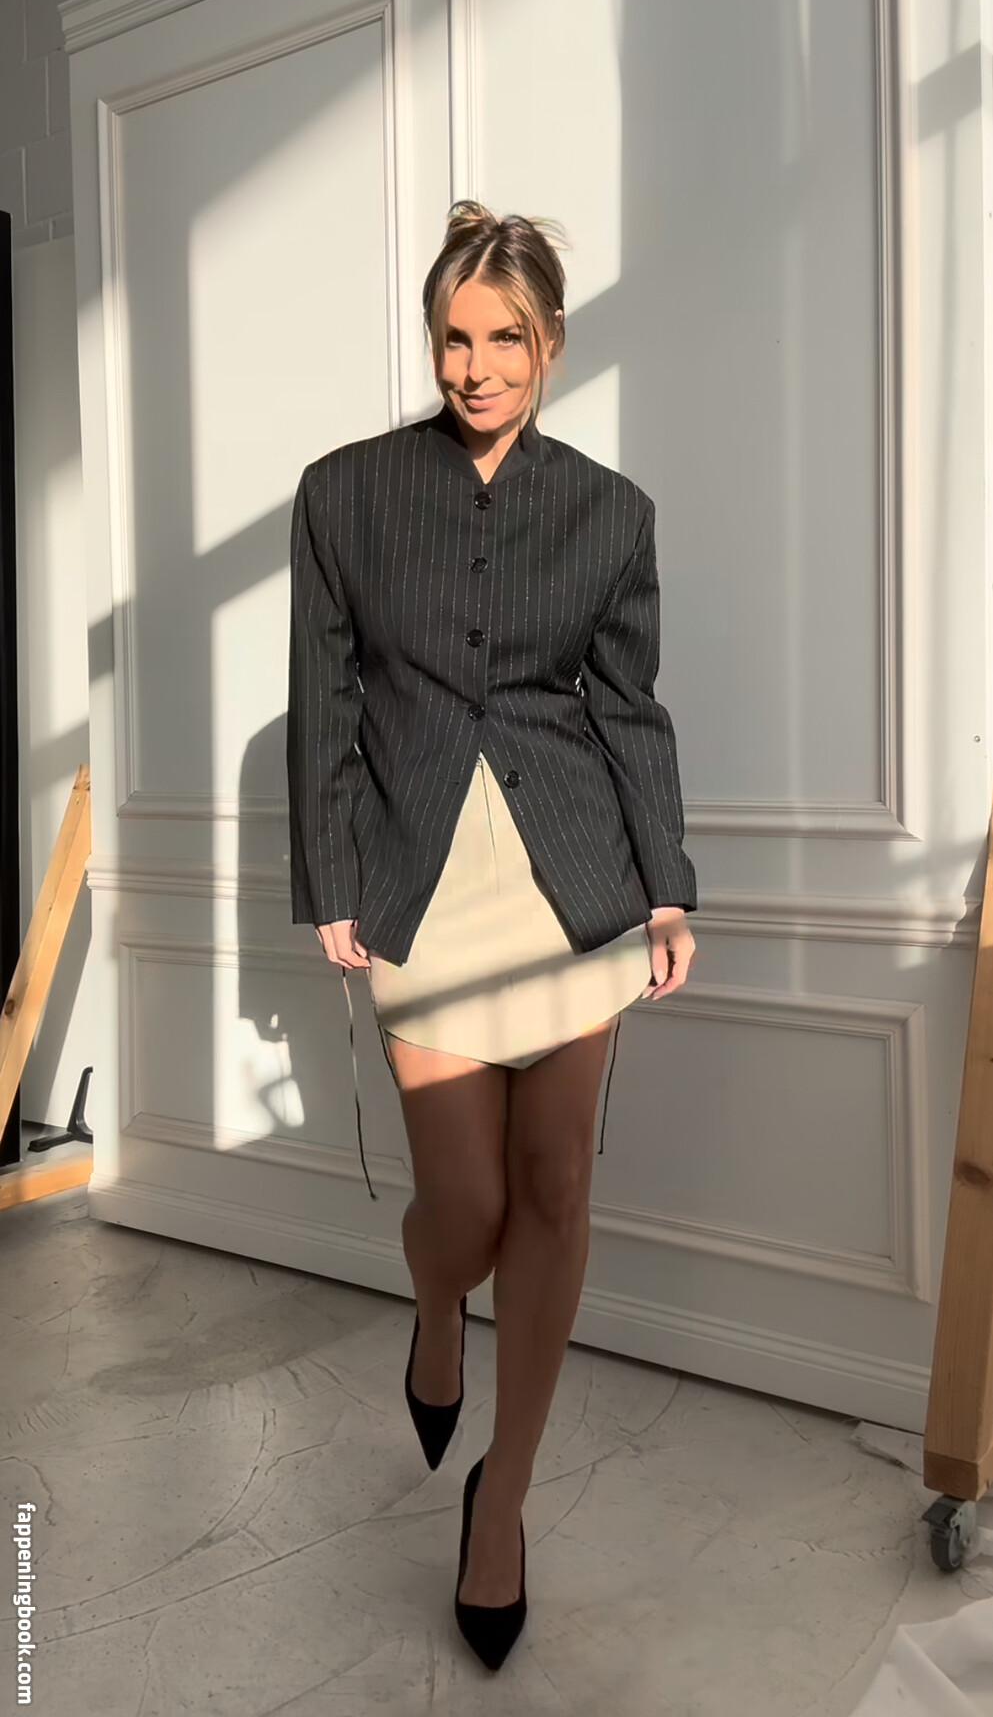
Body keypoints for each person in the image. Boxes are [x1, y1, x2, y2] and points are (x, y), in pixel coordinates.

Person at [286, 200, 697, 1670]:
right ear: (432, 340)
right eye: (454, 339)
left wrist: (665, 885)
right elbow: (325, 698)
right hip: (420, 887)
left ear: (551, 341)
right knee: (460, 1210)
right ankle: (433, 1310)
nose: (476, 368)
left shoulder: (610, 513)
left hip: (572, 886)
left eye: (505, 339)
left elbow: (629, 712)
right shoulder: (344, 495)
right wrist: (333, 877)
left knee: (555, 1194)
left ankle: (502, 1500)